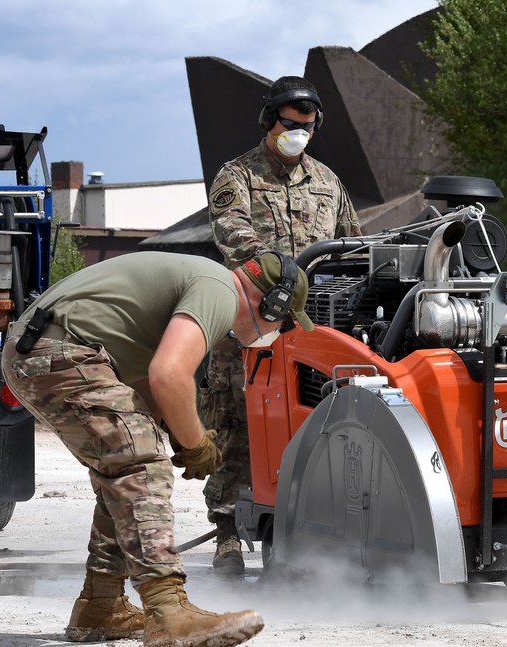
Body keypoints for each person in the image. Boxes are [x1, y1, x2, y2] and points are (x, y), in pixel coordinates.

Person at [1, 250, 313, 646]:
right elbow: (168, 374)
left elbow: (144, 377)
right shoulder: (221, 290)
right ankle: (169, 612)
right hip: (60, 352)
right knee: (141, 464)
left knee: (124, 466)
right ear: (272, 302)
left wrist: (177, 430)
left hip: (48, 349)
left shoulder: (200, 284)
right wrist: (196, 443)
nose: (280, 330)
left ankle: (101, 606)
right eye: (283, 321)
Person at [202, 75, 361, 575]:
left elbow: (352, 244)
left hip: (311, 333)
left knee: (310, 430)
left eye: (307, 127)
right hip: (248, 329)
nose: (298, 133)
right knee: (239, 432)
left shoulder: (328, 182)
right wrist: (280, 272)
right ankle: (227, 536)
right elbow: (235, 238)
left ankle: (298, 534)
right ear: (270, 121)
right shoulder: (238, 177)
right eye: (289, 124)